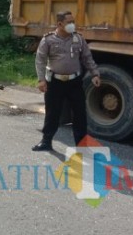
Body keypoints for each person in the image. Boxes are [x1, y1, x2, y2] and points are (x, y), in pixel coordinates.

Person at [32, 10, 101, 151]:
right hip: (54, 82)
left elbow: (87, 58)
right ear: (59, 24)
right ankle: (46, 141)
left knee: (80, 114)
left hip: (74, 82)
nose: (72, 25)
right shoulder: (48, 40)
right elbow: (40, 60)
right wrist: (41, 80)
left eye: (73, 21)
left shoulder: (78, 39)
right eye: (69, 22)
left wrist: (95, 74)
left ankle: (82, 147)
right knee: (52, 113)